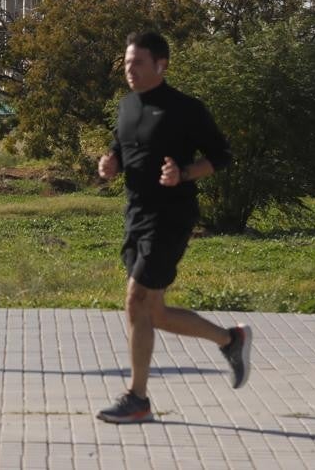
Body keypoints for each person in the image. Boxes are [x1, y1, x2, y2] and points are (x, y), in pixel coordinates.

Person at [95, 31, 250, 424]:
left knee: (136, 300)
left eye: (138, 63)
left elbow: (221, 156)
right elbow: (120, 145)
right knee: (155, 312)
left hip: (171, 216)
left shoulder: (185, 109)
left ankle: (137, 397)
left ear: (160, 65)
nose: (130, 70)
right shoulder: (127, 105)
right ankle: (230, 340)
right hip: (136, 214)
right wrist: (110, 163)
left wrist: (183, 173)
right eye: (127, 63)